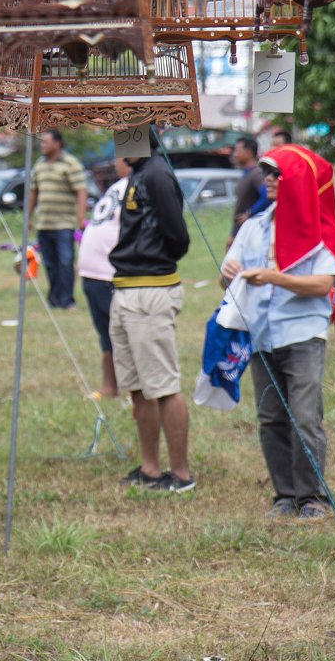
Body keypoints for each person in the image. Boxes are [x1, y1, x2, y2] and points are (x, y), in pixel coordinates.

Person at [220, 145, 335, 520]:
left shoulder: (319, 230)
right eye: (266, 172)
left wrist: (274, 277)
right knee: (271, 417)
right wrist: (226, 274)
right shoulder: (253, 227)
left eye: (276, 173)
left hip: (302, 334)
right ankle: (285, 495)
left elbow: (324, 283)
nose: (268, 180)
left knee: (305, 417)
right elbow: (227, 274)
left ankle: (313, 497)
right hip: (262, 334)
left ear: (297, 180)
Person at [109, 131, 194, 492]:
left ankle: (181, 474)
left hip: (151, 289)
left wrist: (154, 262)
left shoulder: (157, 173)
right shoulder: (139, 172)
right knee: (139, 388)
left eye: (121, 126)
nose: (115, 135)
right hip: (127, 287)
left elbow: (178, 235)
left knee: (162, 386)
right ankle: (150, 468)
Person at [78, 156, 131, 400]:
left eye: (120, 157)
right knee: (105, 333)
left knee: (124, 333)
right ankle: (110, 385)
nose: (116, 161)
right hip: (93, 272)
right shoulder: (117, 186)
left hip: (112, 273)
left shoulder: (140, 185)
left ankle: (134, 388)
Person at [28, 129, 87, 308]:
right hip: (44, 224)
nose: (42, 145)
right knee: (50, 264)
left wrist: (81, 217)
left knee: (66, 262)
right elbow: (34, 192)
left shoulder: (70, 164)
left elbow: (81, 191)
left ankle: (67, 300)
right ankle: (54, 298)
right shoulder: (39, 165)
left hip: (64, 224)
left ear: (57, 143)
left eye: (45, 142)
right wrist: (28, 217)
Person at [230, 136, 267, 239]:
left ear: (249, 152)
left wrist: (250, 213)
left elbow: (267, 196)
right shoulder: (246, 173)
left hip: (250, 233)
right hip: (239, 232)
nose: (235, 155)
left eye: (237, 150)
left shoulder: (256, 174)